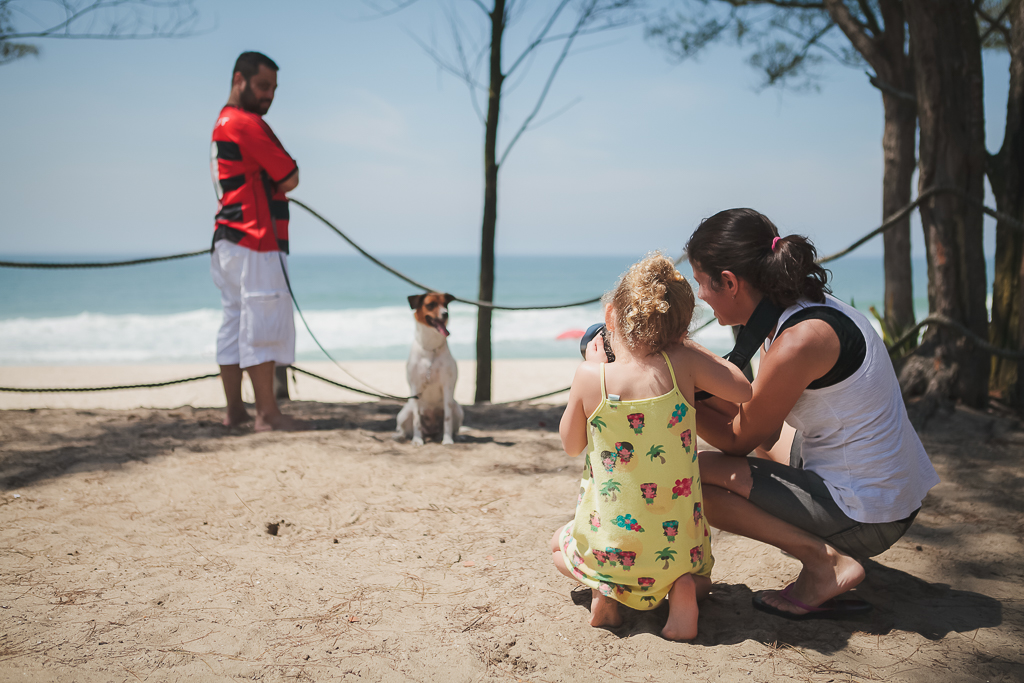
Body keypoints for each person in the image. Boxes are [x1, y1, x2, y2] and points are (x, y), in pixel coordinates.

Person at [686, 208, 940, 620]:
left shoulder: (798, 340)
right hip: (880, 486)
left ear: (730, 282)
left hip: (871, 511)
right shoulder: (791, 307)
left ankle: (825, 564)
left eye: (701, 282)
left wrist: (677, 396)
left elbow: (739, 439)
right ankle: (826, 553)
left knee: (697, 478)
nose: (699, 294)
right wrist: (688, 377)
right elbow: (760, 426)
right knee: (737, 458)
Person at [550, 254, 752, 640]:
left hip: (612, 552)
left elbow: (572, 444)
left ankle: (606, 591)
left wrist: (590, 370)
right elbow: (743, 389)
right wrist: (686, 347)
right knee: (694, 575)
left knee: (558, 549)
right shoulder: (685, 362)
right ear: (682, 327)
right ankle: (681, 593)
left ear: (611, 317)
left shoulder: (592, 375)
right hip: (678, 556)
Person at [210, 51, 307, 432]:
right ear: (240, 80)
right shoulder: (246, 123)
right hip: (255, 237)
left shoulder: (221, 121)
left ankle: (235, 411)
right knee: (261, 320)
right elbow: (290, 175)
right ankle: (268, 414)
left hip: (228, 238)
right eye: (263, 86)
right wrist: (275, 179)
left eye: (274, 89)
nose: (269, 96)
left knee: (234, 322)